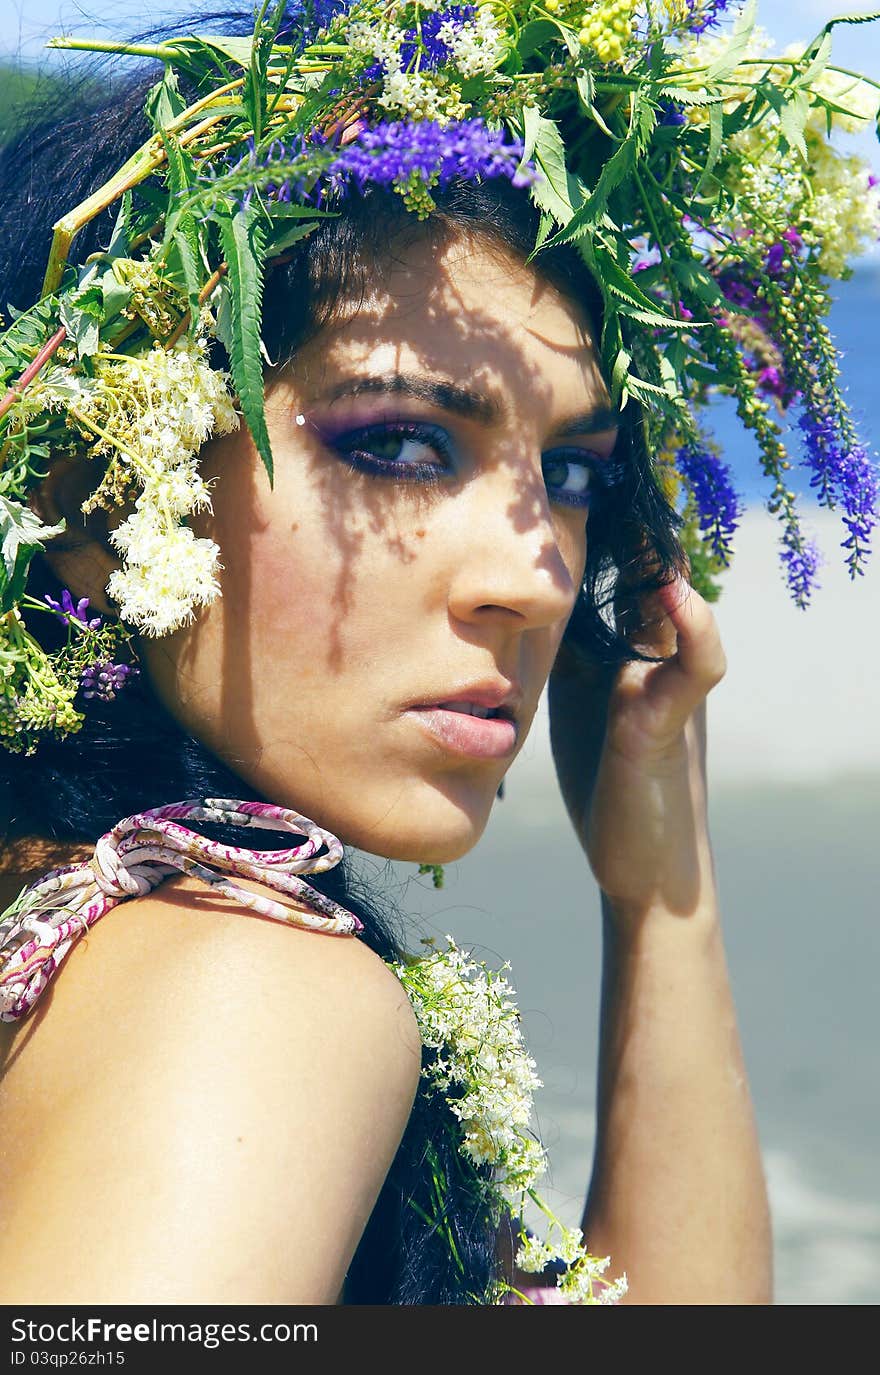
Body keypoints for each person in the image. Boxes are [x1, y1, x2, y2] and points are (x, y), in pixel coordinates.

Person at [0, 0, 875, 1306]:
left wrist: (661, 894)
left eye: (573, 473)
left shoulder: (68, 910)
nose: (536, 574)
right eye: (400, 444)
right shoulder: (245, 992)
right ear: (93, 492)